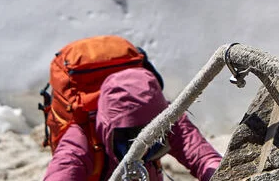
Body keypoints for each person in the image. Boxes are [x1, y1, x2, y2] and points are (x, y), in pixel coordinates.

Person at [43, 68, 222, 181]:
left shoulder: (169, 121)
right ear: (108, 127)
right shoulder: (81, 139)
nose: (140, 142)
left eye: (149, 130)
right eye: (129, 133)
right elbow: (62, 172)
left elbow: (204, 159)